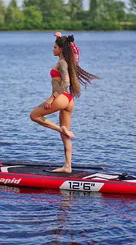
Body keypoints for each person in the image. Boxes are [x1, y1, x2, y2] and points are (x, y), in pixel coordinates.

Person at [30, 35, 99, 173]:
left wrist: (51, 98)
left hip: (60, 97)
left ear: (61, 49)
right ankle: (68, 166)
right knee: (65, 136)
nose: (52, 50)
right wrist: (62, 38)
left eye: (55, 47)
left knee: (34, 116)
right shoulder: (68, 59)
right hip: (69, 100)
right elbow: (75, 49)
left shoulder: (62, 63)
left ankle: (60, 129)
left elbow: (66, 82)